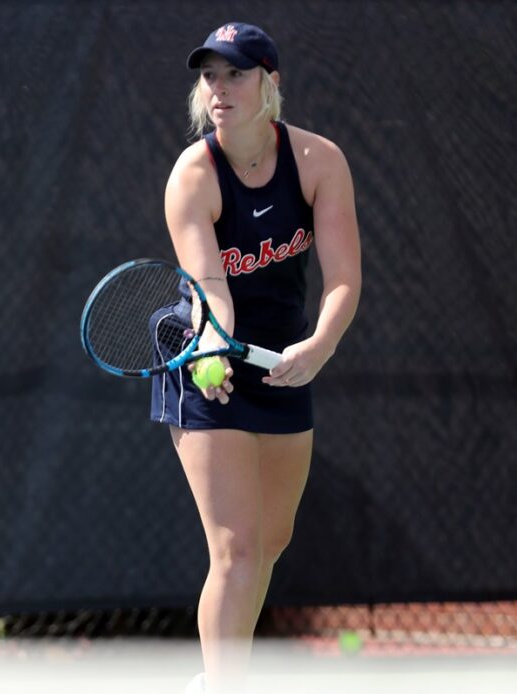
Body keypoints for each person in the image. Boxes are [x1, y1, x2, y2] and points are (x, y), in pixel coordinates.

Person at [152, 22, 362, 694]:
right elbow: (211, 284)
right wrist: (212, 341)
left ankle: (218, 676)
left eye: (236, 74)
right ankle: (224, 683)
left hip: (286, 359)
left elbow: (343, 281)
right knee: (236, 549)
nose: (219, 88)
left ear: (270, 83)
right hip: (205, 357)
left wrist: (320, 346)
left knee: (271, 540)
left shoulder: (319, 161)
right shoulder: (193, 176)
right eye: (210, 75)